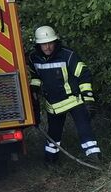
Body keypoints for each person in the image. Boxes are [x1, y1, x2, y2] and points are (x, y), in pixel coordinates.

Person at [27, 26, 102, 163]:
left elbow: (83, 74)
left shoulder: (68, 55)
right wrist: (34, 90)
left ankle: (94, 158)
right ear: (38, 45)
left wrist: (88, 99)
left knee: (84, 129)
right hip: (53, 105)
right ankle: (50, 161)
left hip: (74, 100)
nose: (48, 47)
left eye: (50, 43)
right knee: (53, 134)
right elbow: (35, 77)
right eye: (44, 44)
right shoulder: (34, 58)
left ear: (55, 42)